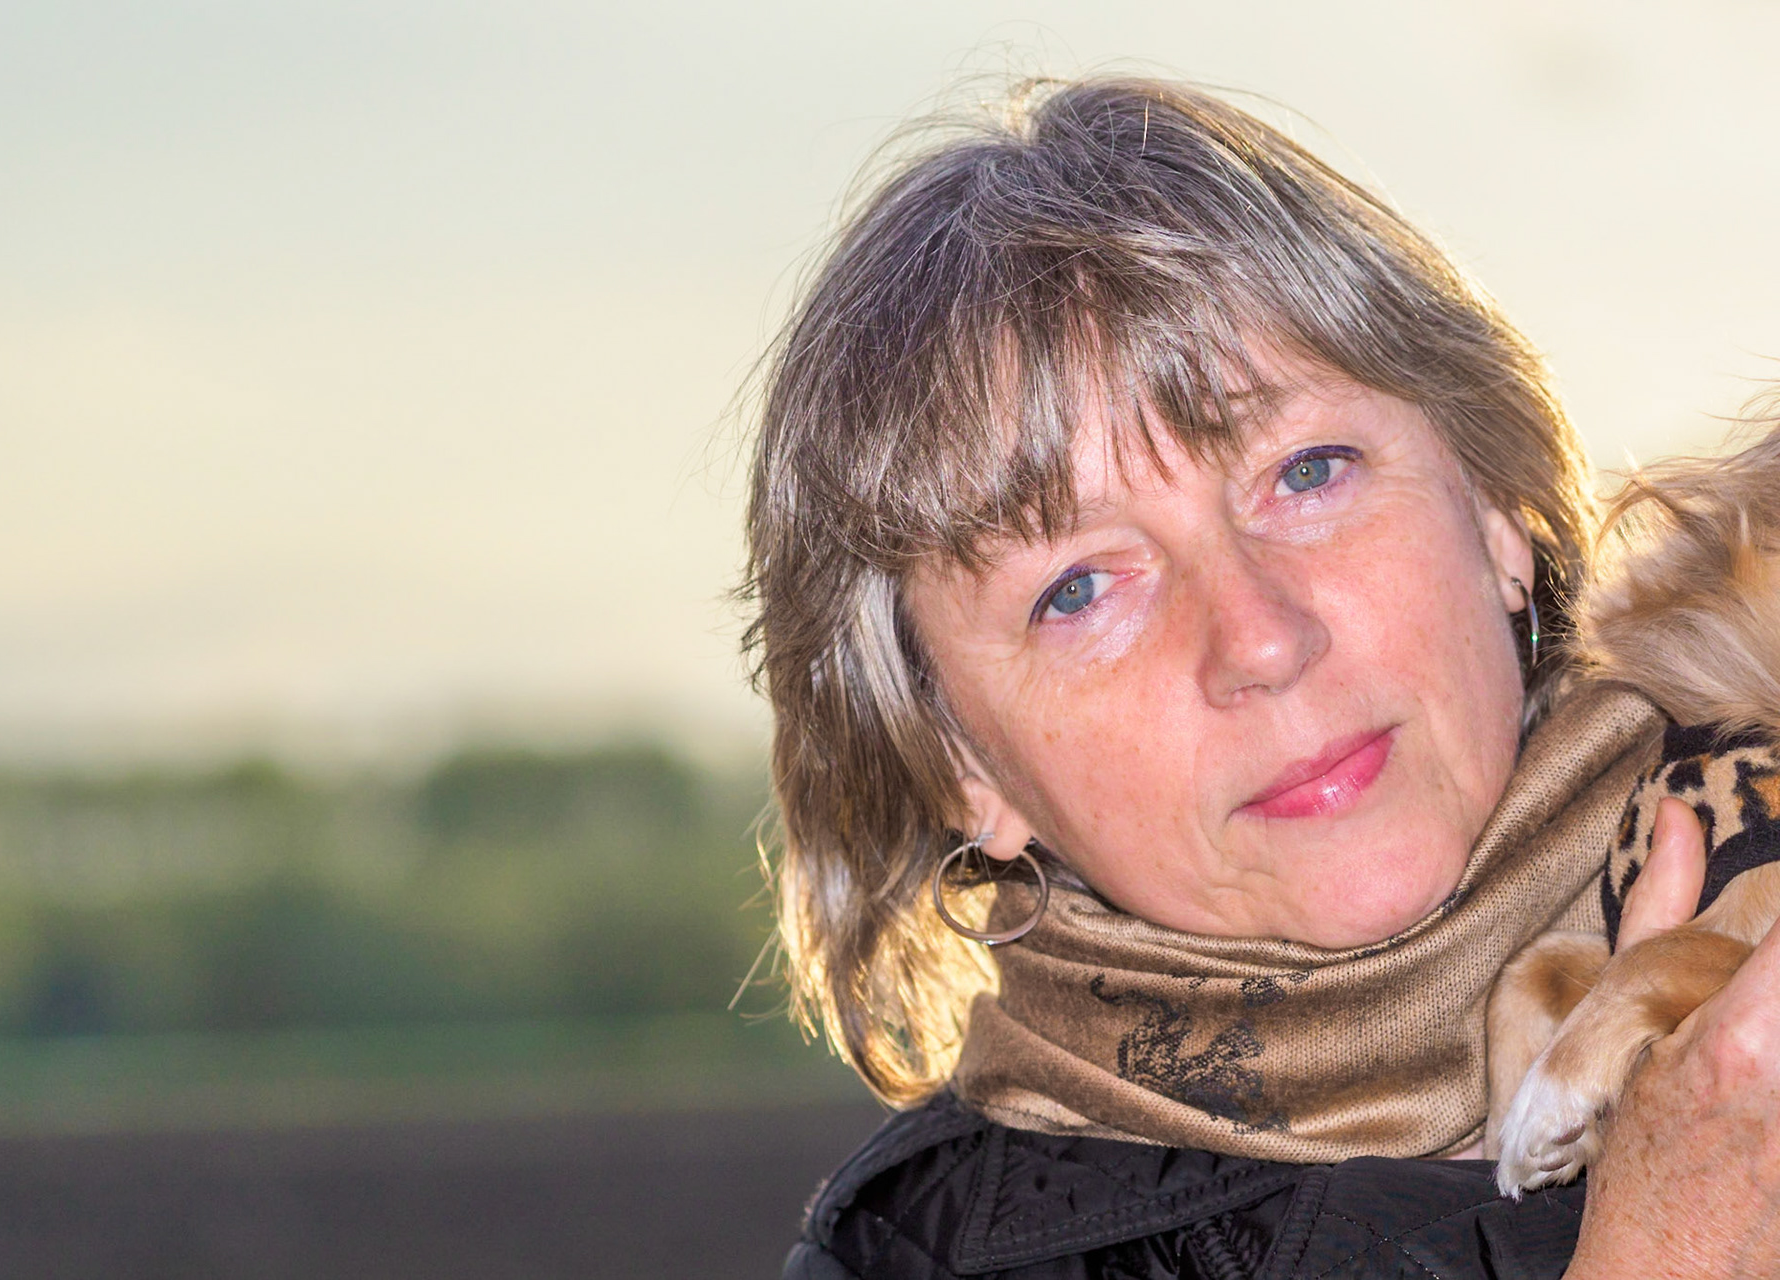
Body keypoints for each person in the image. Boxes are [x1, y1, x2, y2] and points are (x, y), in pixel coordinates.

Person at [742, 78, 1780, 1278]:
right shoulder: (916, 1257)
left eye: (1310, 471)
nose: (1259, 637)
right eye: (1078, 588)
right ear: (958, 764)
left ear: (1495, 511)